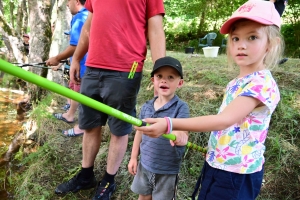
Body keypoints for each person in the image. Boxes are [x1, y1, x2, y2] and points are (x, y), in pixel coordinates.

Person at [134, 1, 284, 199]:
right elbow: (230, 128)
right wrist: (215, 149)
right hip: (217, 163)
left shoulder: (261, 84)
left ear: (271, 45)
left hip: (237, 173)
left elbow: (224, 120)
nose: (241, 45)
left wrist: (169, 124)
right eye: (236, 38)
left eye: (253, 37)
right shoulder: (237, 82)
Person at [54, 0, 166, 199]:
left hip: (126, 69)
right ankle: (86, 175)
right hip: (93, 66)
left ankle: (108, 180)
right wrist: (77, 58)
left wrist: (161, 73)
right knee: (89, 124)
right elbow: (89, 23)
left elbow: (156, 30)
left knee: (119, 128)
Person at [128, 56, 189, 200]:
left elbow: (183, 132)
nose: (164, 80)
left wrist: (180, 136)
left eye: (171, 77)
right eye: (159, 76)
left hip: (167, 169)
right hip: (145, 164)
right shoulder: (147, 106)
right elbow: (139, 133)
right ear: (153, 81)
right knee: (143, 196)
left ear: (180, 83)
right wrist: (133, 158)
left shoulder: (181, 108)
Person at [46, 0, 88, 137]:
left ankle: (77, 121)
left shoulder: (80, 17)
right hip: (84, 65)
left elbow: (75, 46)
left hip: (83, 66)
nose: (67, 5)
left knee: (78, 93)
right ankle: (71, 115)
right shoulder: (88, 15)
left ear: (76, 1)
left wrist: (57, 58)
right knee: (77, 91)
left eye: (68, 1)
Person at [268, 0, 288, 64]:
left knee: (274, 39)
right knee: (272, 39)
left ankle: (274, 59)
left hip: (274, 19)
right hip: (270, 20)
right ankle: (272, 60)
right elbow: (269, 3)